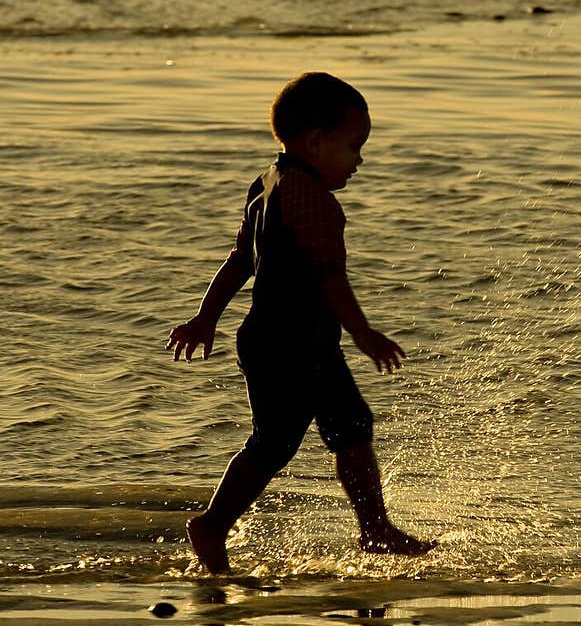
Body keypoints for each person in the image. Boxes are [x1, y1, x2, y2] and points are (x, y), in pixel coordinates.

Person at [166, 71, 435, 574]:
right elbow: (327, 274)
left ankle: (375, 530)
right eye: (355, 146)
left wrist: (207, 317)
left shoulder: (267, 182)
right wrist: (364, 334)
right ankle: (212, 525)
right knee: (275, 441)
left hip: (298, 341)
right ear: (315, 142)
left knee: (353, 426)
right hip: (286, 345)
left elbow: (240, 260)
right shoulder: (313, 200)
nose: (360, 160)